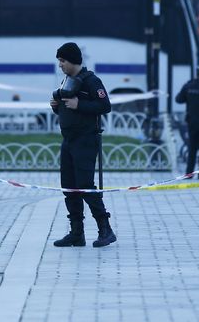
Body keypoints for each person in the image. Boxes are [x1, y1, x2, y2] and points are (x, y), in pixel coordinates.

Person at [50, 42, 116, 248]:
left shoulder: (92, 81)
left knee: (85, 185)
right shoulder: (67, 80)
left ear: (73, 61)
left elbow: (105, 106)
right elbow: (67, 109)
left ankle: (105, 229)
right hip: (68, 140)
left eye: (63, 61)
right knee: (69, 187)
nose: (60, 65)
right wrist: (56, 107)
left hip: (86, 140)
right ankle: (76, 233)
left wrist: (81, 105)